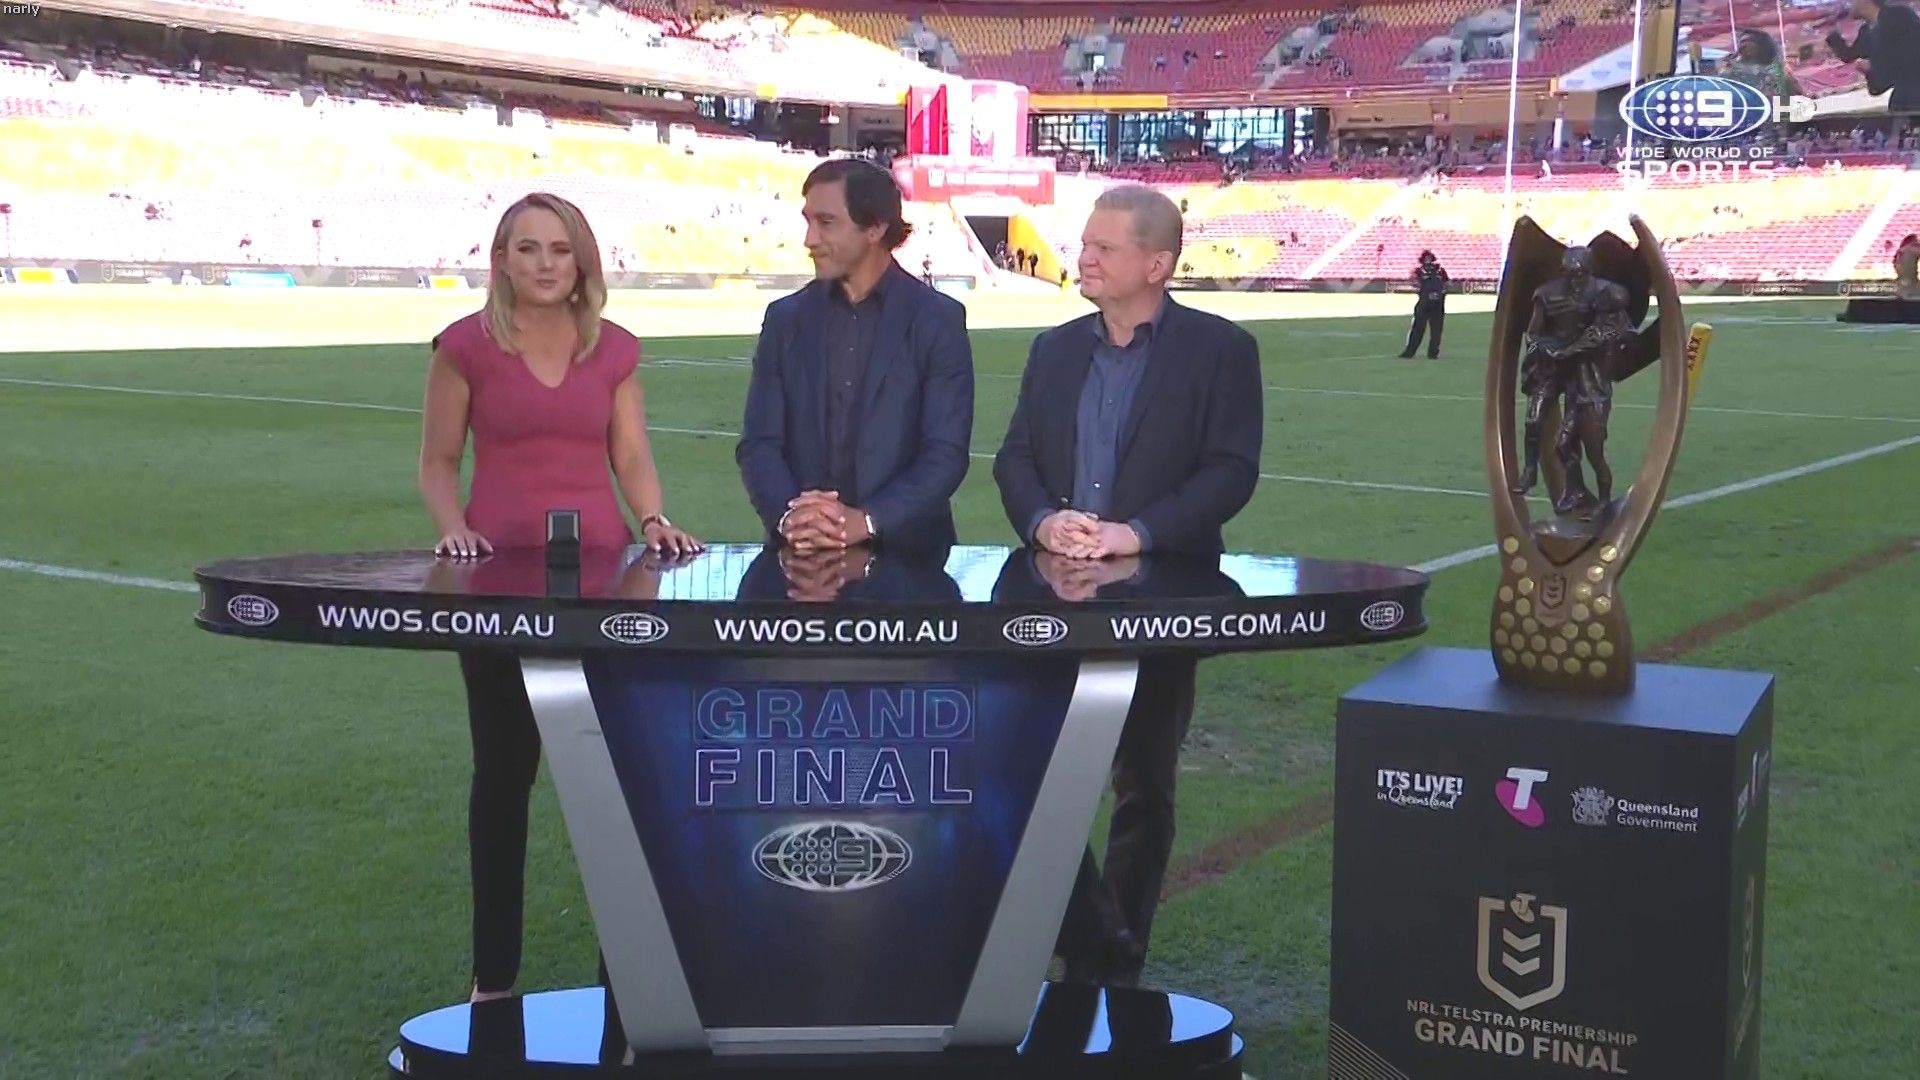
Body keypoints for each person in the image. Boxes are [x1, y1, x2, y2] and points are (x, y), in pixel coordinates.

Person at [418, 191, 702, 1005]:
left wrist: (653, 519)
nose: (545, 264)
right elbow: (438, 460)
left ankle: (627, 984)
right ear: (501, 259)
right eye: (528, 248)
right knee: (503, 778)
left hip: (602, 588)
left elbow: (630, 453)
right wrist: (452, 527)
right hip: (497, 587)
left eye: (559, 249)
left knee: (614, 782)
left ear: (582, 261)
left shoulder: (612, 349)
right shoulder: (463, 347)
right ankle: (493, 979)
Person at [992, 183, 1263, 986]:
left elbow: (1230, 471)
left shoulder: (1221, 350)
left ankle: (1116, 963)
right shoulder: (1053, 349)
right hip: (1049, 598)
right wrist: (1044, 521)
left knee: (1145, 783)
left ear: (1156, 264)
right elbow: (1014, 458)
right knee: (1024, 769)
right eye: (1085, 243)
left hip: (1164, 600)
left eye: (1103, 248)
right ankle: (1095, 938)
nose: (1084, 258)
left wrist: (1136, 534)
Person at [736, 158, 975, 554]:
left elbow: (945, 453)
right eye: (808, 221)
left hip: (909, 560)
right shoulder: (785, 319)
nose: (810, 239)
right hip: (800, 552)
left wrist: (866, 521)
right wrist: (791, 517)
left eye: (826, 222)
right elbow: (759, 442)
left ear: (875, 228)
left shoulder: (937, 319)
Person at [1827, 0, 1920, 114]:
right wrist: (1833, 32)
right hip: (1903, 95)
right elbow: (1849, 55)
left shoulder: (1899, 15)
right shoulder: (1866, 31)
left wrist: (1874, 65)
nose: (1850, 5)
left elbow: (1911, 50)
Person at [1399, 250, 1449, 359]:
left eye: (1429, 258)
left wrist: (1441, 291)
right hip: (1426, 302)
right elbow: (1413, 282)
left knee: (1435, 330)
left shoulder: (1440, 270)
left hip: (1436, 302)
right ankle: (1411, 352)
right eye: (1426, 258)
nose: (1428, 260)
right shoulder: (1420, 271)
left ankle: (1432, 353)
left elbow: (1447, 283)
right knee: (1418, 328)